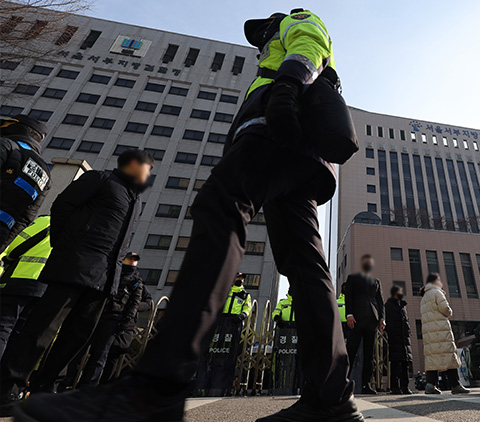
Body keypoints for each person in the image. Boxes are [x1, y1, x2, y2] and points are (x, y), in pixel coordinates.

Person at [14, 10, 364, 422]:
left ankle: (155, 389)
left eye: (261, 35)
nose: (259, 43)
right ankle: (330, 398)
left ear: (273, 23)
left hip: (277, 127)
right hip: (305, 153)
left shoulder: (297, 20)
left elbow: (312, 46)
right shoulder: (275, 49)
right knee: (305, 264)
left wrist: (286, 87)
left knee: (220, 208)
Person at [0, 148, 151, 415]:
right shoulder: (101, 179)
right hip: (75, 265)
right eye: (145, 167)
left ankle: (46, 388)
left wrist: (114, 279)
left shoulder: (134, 200)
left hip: (105, 277)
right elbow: (62, 206)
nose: (148, 173)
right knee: (43, 328)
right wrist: (65, 246)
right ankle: (9, 388)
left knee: (77, 336)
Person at [58, 253, 150, 390]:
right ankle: (63, 383)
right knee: (77, 352)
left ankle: (88, 388)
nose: (132, 262)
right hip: (95, 315)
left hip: (114, 320)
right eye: (130, 258)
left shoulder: (136, 282)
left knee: (102, 356)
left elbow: (142, 302)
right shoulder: (109, 273)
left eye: (135, 260)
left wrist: (128, 315)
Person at [0, 215, 52, 360]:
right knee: (20, 334)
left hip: (22, 279)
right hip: (47, 289)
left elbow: (17, 245)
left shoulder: (48, 221)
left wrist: (8, 259)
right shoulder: (84, 232)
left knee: (3, 327)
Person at [0, 115, 51, 252]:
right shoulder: (45, 172)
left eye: (7, 124)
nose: (3, 126)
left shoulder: (6, 145)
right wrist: (4, 243)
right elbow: (26, 217)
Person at [420, 273, 470, 395]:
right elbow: (446, 310)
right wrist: (450, 311)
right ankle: (456, 385)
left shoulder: (424, 297)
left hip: (429, 333)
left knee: (432, 358)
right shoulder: (437, 293)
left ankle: (430, 385)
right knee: (449, 356)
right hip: (441, 329)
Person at [344, 254, 385, 394]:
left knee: (369, 354)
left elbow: (380, 302)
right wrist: (349, 314)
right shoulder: (352, 278)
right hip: (356, 319)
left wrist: (382, 318)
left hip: (372, 320)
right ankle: (343, 382)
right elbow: (348, 297)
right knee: (350, 351)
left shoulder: (376, 281)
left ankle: (366, 385)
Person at [384, 285, 412, 395]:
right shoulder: (388, 305)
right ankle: (395, 387)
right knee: (395, 363)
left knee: (406, 364)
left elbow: (406, 322)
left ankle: (405, 387)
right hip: (394, 338)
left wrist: (407, 333)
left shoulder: (403, 306)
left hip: (404, 339)